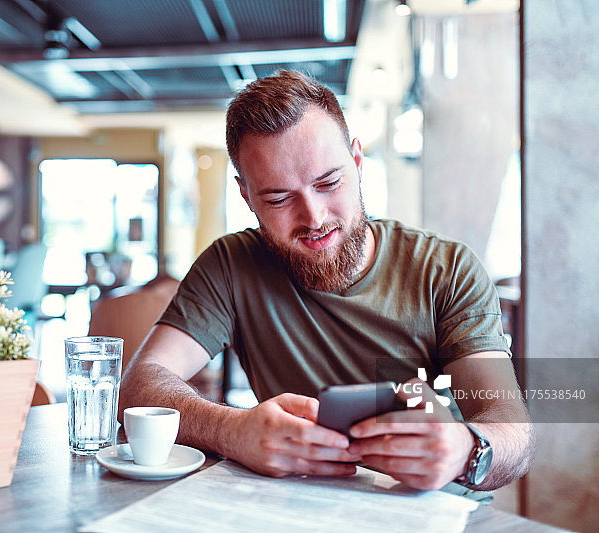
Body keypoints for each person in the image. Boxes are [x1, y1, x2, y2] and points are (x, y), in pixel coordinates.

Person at [118, 70, 534, 497]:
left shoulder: (446, 270)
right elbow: (138, 387)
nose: (313, 218)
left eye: (328, 183)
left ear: (357, 161)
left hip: (439, 511)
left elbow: (512, 431)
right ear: (246, 196)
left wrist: (466, 450)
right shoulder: (231, 265)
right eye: (278, 198)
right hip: (298, 510)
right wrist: (232, 429)